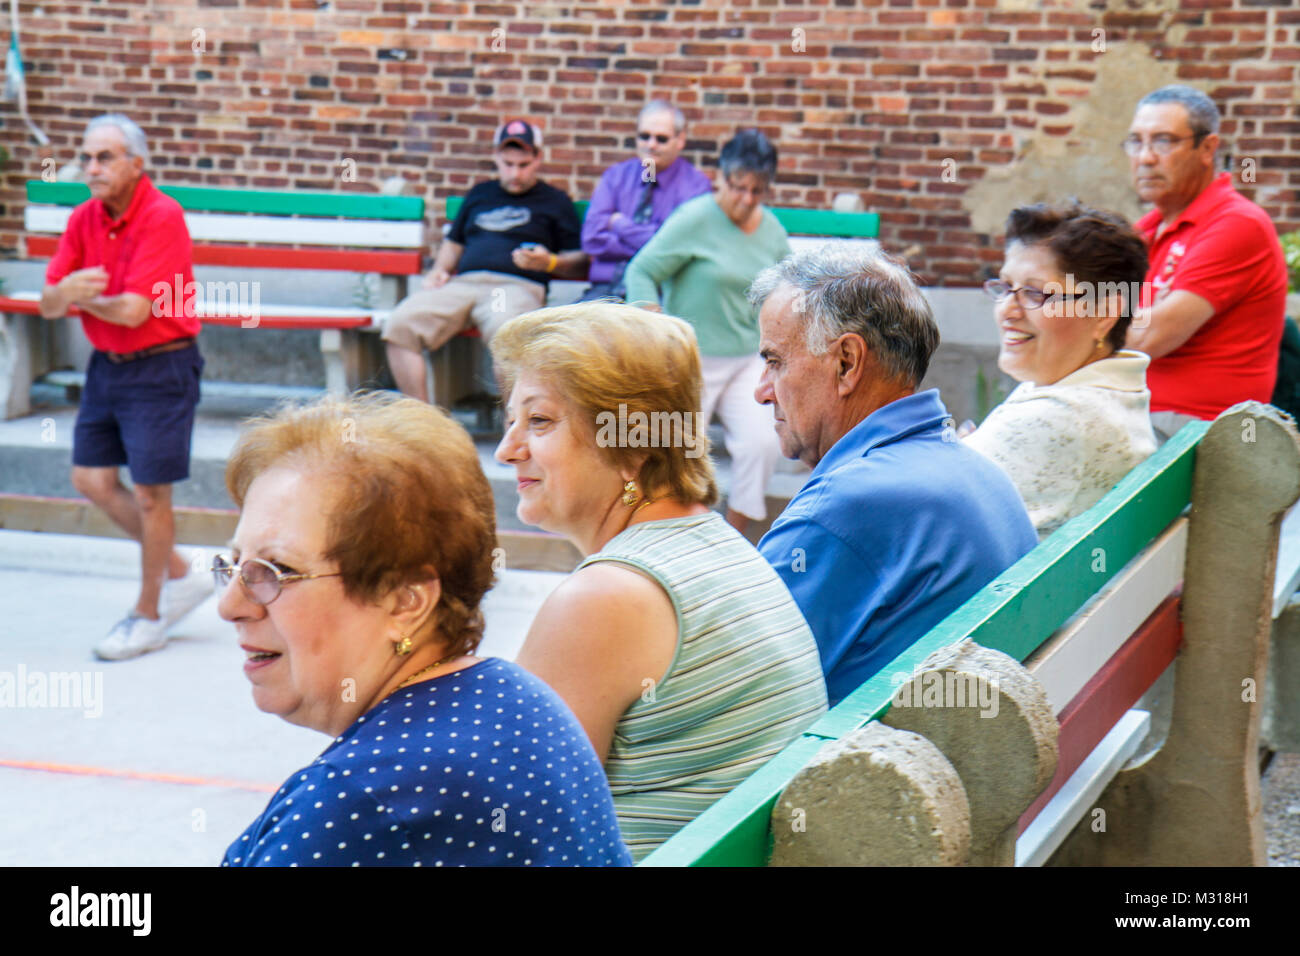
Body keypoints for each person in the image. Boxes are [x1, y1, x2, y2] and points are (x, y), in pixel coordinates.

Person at [218, 393, 630, 867]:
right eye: (232, 565)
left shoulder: (356, 804)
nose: (231, 606)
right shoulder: (520, 698)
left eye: (275, 570)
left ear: (405, 602)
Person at [491, 302, 827, 862]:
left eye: (540, 421)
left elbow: (511, 832)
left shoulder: (607, 599)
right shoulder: (720, 550)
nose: (507, 450)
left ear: (631, 446)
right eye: (510, 421)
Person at [751, 244, 1037, 708]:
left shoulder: (845, 507)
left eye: (775, 361)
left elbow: (732, 690)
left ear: (846, 362)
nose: (762, 392)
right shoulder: (974, 468)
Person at [38, 113, 212, 661]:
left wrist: (76, 295)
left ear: (137, 164)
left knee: (150, 494)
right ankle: (181, 573)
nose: (92, 167)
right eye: (86, 156)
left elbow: (136, 311)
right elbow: (46, 304)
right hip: (106, 365)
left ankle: (149, 614)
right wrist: (65, 291)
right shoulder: (84, 217)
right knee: (90, 479)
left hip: (161, 365)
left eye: (105, 156)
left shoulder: (161, 216)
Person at [623, 129, 791, 534]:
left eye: (758, 190)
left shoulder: (772, 231)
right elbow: (642, 270)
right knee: (675, 449)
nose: (747, 200)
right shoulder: (694, 219)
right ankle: (668, 530)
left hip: (747, 361)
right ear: (721, 178)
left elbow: (788, 290)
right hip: (690, 359)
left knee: (763, 443)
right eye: (738, 187)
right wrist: (654, 325)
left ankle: (732, 535)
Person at [964, 201, 1158, 539]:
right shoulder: (1101, 395)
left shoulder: (1059, 418)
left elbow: (913, 520)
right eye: (1006, 287)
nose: (1007, 311)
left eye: (1036, 293)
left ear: (1104, 314)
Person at [1123, 85, 1289, 442]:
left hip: (1195, 430)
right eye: (1136, 141)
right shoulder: (1144, 232)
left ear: (1208, 148)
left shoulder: (1237, 224)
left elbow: (1149, 336)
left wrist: (1094, 317)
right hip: (1137, 412)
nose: (1146, 157)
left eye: (1164, 141)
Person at [383, 119, 586, 403]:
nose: (515, 173)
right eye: (508, 164)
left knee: (509, 339)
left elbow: (579, 260)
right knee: (400, 325)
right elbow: (454, 243)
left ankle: (515, 432)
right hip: (463, 284)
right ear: (496, 157)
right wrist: (440, 270)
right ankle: (422, 424)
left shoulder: (555, 201)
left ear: (538, 158)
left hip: (513, 287)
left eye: (523, 165)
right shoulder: (480, 194)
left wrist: (549, 262)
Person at [579, 100, 711, 301]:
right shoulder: (616, 177)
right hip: (604, 291)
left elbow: (675, 249)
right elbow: (591, 239)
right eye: (644, 136)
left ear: (680, 140)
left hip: (660, 297)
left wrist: (619, 225)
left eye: (661, 139)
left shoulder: (695, 187)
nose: (651, 145)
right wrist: (652, 239)